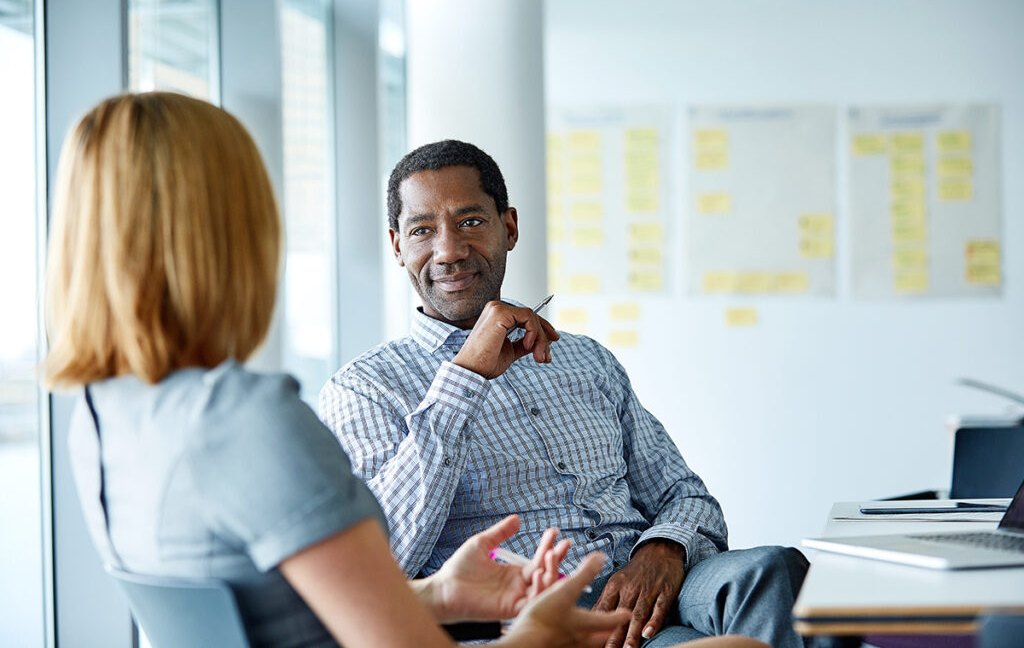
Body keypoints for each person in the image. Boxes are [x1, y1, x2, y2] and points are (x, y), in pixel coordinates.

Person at [43, 92, 644, 648]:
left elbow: (271, 619)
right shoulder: (248, 420)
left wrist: (434, 595)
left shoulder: (101, 418)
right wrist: (538, 635)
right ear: (233, 234)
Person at [319, 139, 810, 648]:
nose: (449, 250)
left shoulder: (585, 359)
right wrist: (463, 377)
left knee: (771, 570)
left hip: (659, 584)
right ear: (398, 246)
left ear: (508, 227)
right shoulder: (365, 388)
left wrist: (664, 548)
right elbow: (383, 560)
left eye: (470, 222)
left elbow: (684, 494)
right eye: (423, 231)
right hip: (544, 623)